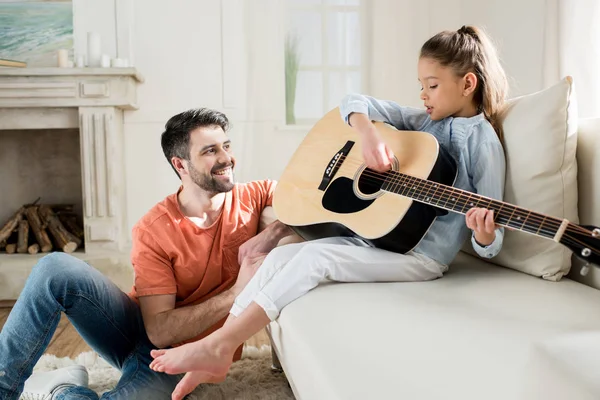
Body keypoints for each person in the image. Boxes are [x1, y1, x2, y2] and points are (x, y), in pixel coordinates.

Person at [148, 25, 509, 399]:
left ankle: (219, 346)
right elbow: (353, 102)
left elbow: (493, 240)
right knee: (281, 257)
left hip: (421, 257)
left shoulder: (483, 144)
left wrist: (483, 233)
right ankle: (219, 347)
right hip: (377, 241)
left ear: (467, 84)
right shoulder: (423, 121)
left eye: (431, 85)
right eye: (420, 84)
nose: (422, 94)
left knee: (317, 257)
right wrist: (368, 134)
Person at [0, 107, 294, 400]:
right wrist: (236, 294)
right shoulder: (154, 229)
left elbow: (312, 204)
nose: (226, 158)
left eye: (226, 146)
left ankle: (60, 388)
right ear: (181, 165)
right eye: (210, 151)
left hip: (181, 356)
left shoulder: (256, 195)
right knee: (54, 268)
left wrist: (273, 232)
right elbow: (159, 332)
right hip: (139, 330)